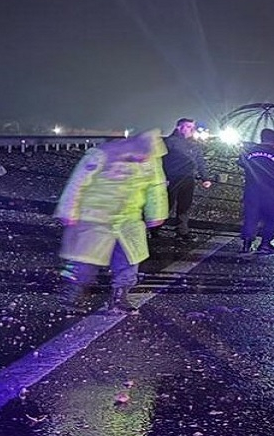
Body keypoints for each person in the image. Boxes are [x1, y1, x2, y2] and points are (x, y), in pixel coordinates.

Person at [54, 130, 169, 313]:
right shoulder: (101, 154)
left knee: (129, 260)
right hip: (95, 216)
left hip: (129, 219)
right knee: (84, 259)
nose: (143, 159)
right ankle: (74, 293)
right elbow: (78, 183)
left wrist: (156, 213)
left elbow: (156, 188)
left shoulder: (151, 161)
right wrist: (68, 210)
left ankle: (120, 296)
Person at [157, 117, 212, 241]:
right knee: (166, 205)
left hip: (188, 179)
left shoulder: (194, 144)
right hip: (172, 179)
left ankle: (182, 231)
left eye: (192, 127)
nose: (191, 130)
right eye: (188, 127)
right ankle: (154, 229)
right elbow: (160, 161)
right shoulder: (170, 142)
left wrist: (205, 178)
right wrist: (163, 177)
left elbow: (200, 161)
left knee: (184, 206)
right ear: (179, 127)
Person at [238, 128, 274, 255]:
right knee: (271, 218)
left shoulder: (250, 151)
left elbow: (240, 162)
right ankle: (265, 244)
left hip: (252, 190)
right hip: (272, 191)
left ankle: (246, 244)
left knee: (251, 217)